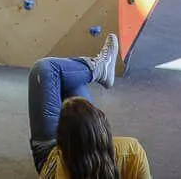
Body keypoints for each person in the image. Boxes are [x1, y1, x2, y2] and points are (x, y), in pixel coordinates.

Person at [27, 38, 149, 177]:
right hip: (85, 147)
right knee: (57, 76)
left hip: (58, 157)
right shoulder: (131, 151)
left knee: (48, 71)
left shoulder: (129, 149)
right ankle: (97, 69)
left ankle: (96, 68)